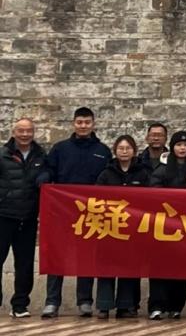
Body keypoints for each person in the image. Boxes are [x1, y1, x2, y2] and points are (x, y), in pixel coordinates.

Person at [41, 106, 111, 319]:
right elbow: (49, 170)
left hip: (91, 213)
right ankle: (52, 302)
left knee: (86, 257)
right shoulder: (60, 148)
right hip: (62, 211)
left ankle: (85, 301)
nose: (83, 126)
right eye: (79, 122)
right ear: (73, 123)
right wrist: (43, 179)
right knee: (57, 256)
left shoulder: (103, 151)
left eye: (87, 122)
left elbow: (109, 178)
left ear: (93, 124)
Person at [94, 135, 150, 319]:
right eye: (120, 148)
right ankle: (104, 305)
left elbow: (150, 198)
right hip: (110, 226)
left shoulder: (143, 173)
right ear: (115, 151)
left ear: (134, 151)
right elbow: (96, 198)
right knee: (106, 267)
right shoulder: (105, 174)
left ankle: (126, 305)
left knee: (129, 266)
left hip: (133, 228)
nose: (124, 152)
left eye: (128, 148)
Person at [147, 130, 186, 320]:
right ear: (172, 147)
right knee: (160, 266)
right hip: (164, 225)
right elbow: (154, 191)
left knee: (183, 267)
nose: (182, 148)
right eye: (178, 145)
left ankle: (176, 306)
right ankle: (157, 305)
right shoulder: (162, 168)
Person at [0, 117, 44, 319]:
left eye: (29, 131)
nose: (25, 134)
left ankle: (19, 305)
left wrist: (46, 176)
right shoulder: (3, 155)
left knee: (25, 264)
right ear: (14, 132)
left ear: (33, 132)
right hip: (3, 215)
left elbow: (49, 173)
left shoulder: (41, 155)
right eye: (21, 130)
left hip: (28, 217)